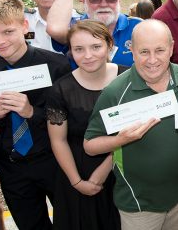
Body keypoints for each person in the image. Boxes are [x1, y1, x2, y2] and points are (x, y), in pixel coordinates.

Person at [0, 0, 72, 230]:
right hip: (12, 166)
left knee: (70, 220)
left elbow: (68, 117)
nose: (0, 41)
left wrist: (31, 112)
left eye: (8, 32)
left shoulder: (55, 64)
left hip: (53, 160)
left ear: (24, 27)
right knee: (30, 224)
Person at [83, 20, 178, 229]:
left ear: (171, 48)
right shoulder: (115, 92)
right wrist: (120, 140)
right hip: (138, 204)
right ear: (131, 51)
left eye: (160, 50)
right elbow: (90, 145)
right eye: (144, 51)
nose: (152, 60)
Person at [46, 21, 123, 230]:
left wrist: (104, 170)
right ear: (70, 51)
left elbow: (133, 132)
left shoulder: (128, 79)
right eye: (79, 49)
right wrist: (77, 182)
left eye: (95, 47)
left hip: (122, 171)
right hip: (77, 171)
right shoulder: (60, 90)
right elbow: (58, 140)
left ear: (109, 45)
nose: (88, 55)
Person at [47, 0, 142, 67]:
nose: (103, 4)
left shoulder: (137, 27)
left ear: (119, 0)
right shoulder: (74, 27)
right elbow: (54, 29)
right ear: (83, 0)